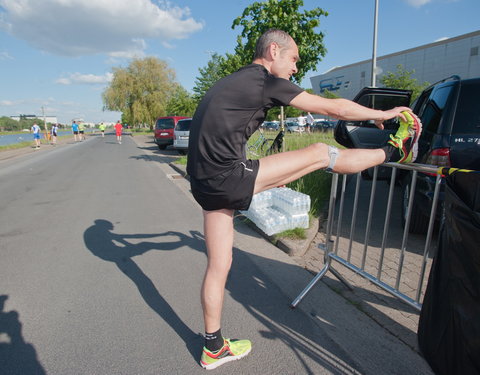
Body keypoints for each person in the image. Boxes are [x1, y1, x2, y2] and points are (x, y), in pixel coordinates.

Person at [187, 29, 421, 370]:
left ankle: (213, 347)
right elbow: (334, 108)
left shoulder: (232, 80)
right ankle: (393, 151)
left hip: (203, 183)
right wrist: (383, 115)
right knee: (321, 151)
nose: (296, 68)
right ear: (272, 51)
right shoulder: (263, 80)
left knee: (219, 265)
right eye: (293, 59)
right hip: (227, 178)